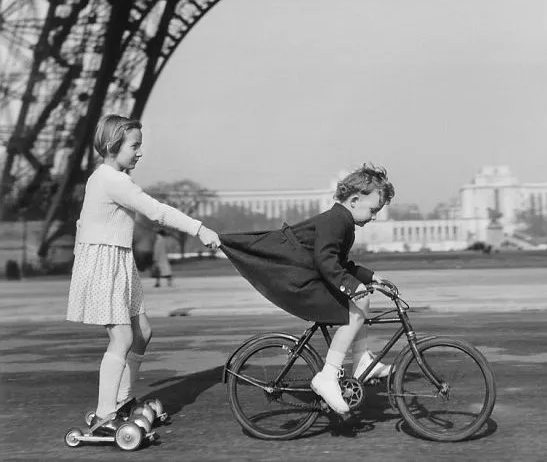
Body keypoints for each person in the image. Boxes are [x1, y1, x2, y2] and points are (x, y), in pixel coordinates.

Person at [66, 114, 221, 433]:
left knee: (143, 332)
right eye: (134, 145)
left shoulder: (106, 177)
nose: (139, 152)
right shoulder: (112, 180)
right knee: (122, 337)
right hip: (104, 263)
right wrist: (199, 228)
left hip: (118, 260)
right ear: (113, 145)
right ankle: (104, 414)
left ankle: (121, 401)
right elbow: (156, 211)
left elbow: (85, 221)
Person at [220, 163, 395, 415]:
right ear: (355, 200)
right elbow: (327, 262)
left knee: (361, 300)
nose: (375, 216)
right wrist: (353, 287)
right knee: (359, 303)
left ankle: (361, 359)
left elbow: (340, 264)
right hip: (300, 283)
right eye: (374, 210)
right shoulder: (337, 221)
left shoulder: (342, 221)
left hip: (306, 279)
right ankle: (329, 374)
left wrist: (371, 277)